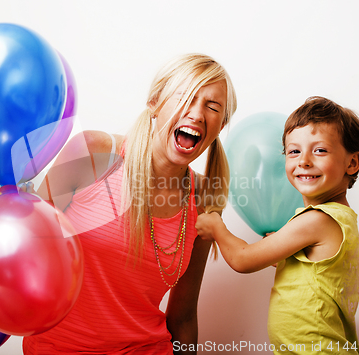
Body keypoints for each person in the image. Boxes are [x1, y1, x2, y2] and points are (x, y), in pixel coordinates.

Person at [22, 53, 237, 354]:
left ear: (220, 125)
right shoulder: (93, 153)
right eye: (185, 97)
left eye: (212, 107)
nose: (197, 114)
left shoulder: (205, 198)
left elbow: (183, 316)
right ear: (154, 103)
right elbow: (25, 247)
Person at [195, 96, 359, 354]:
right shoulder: (337, 217)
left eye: (319, 150)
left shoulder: (317, 220)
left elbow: (243, 260)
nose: (304, 161)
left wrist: (217, 227)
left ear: (351, 163)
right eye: (294, 151)